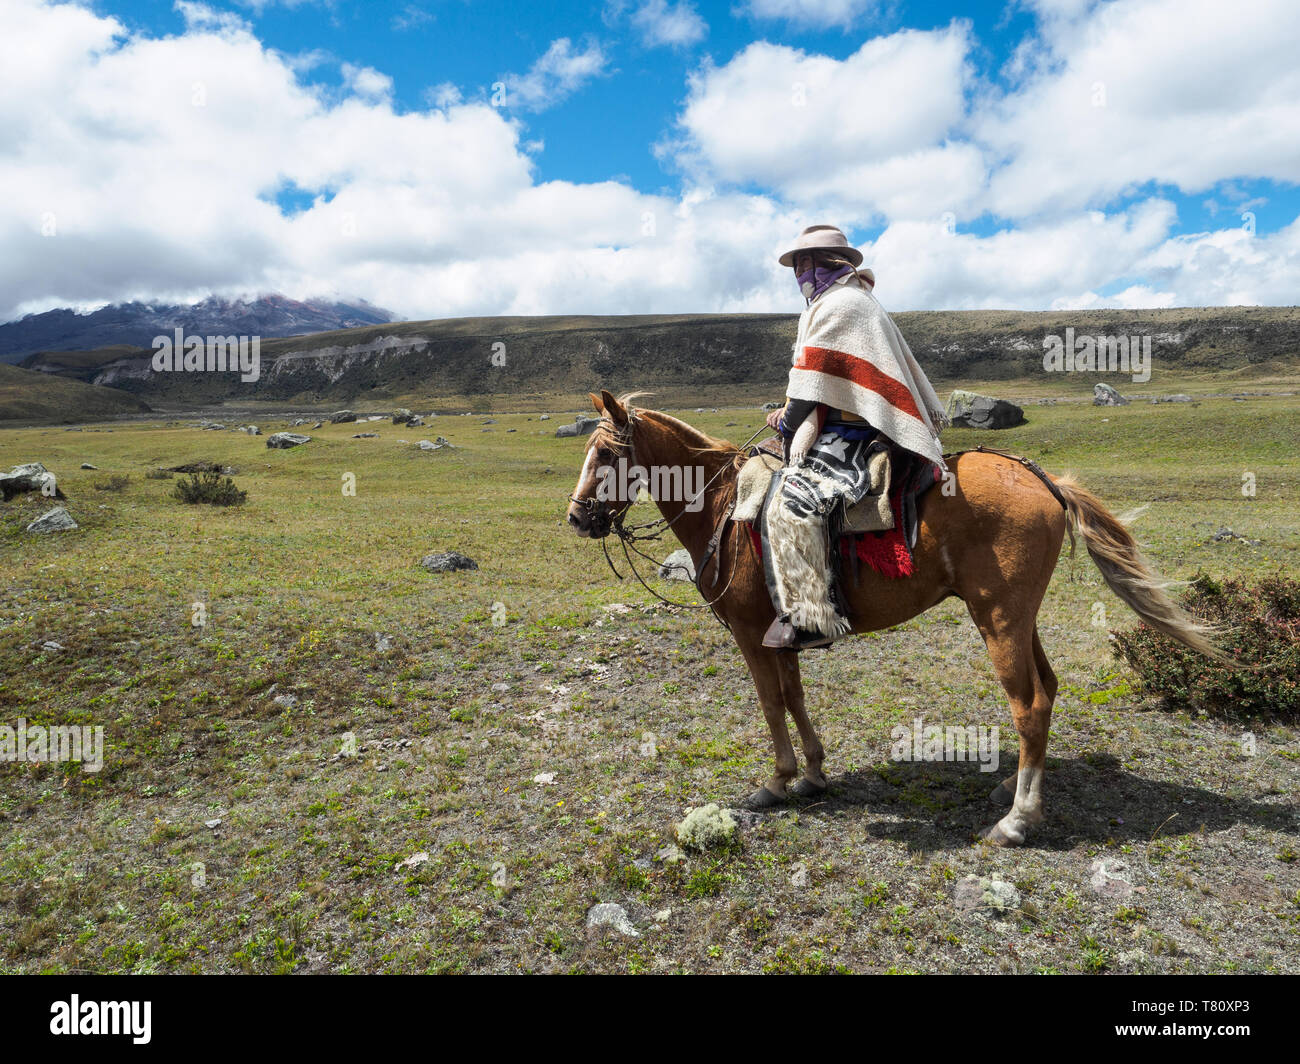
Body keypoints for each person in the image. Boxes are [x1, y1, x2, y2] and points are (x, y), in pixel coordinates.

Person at [760, 224, 948, 650]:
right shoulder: (833, 301)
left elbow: (809, 382)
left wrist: (790, 422)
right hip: (837, 421)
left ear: (825, 262)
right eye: (796, 265)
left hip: (854, 431)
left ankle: (814, 615)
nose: (798, 273)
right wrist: (790, 408)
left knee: (791, 502)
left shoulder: (842, 303)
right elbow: (817, 377)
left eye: (804, 263)